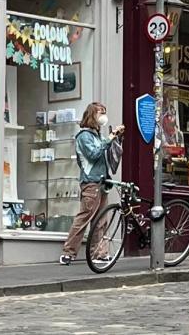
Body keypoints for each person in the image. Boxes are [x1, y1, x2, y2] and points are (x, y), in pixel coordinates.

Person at [59, 101, 123, 265]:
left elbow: (108, 154)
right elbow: (93, 154)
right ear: (91, 115)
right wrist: (109, 138)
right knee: (84, 217)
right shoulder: (84, 136)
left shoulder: (97, 136)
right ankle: (68, 252)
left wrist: (116, 138)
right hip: (91, 183)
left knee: (101, 221)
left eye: (104, 111)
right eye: (100, 112)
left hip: (102, 182)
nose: (103, 115)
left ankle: (99, 253)